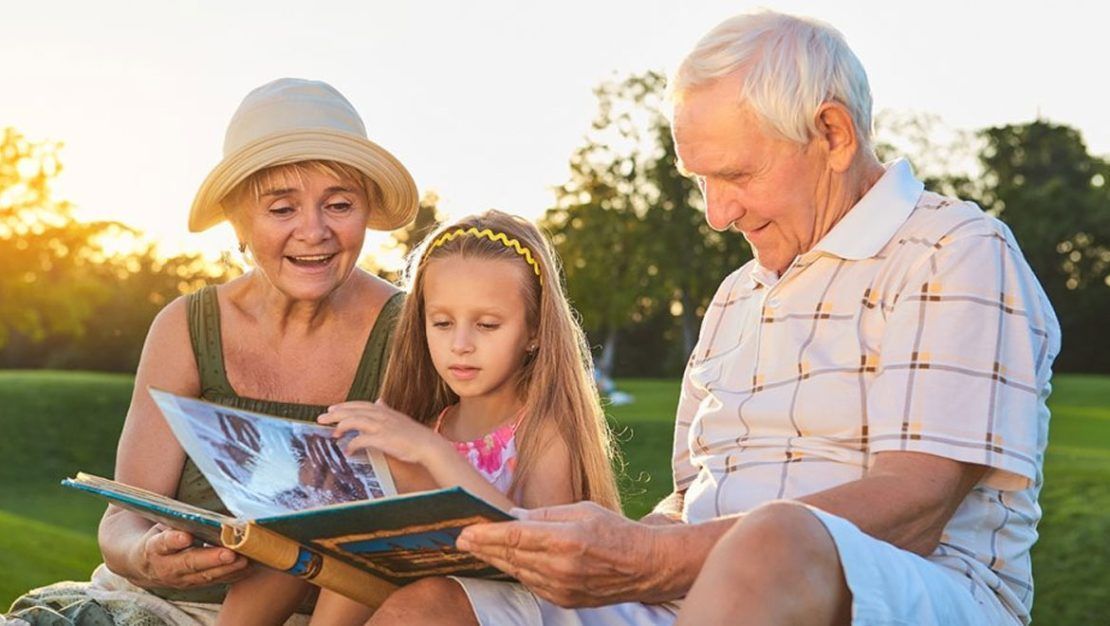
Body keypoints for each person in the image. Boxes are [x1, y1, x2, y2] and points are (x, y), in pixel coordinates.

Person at [382, 10, 1061, 626]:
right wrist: (608, 543)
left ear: (833, 133)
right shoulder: (738, 294)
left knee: (776, 536)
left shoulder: (954, 251)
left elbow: (915, 504)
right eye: (700, 181)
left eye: (735, 175)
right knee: (435, 607)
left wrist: (652, 559)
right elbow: (692, 500)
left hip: (919, 592)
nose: (717, 213)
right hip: (695, 592)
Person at [6, 77, 419, 626]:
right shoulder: (186, 325)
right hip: (153, 606)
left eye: (339, 204)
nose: (314, 231)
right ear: (238, 221)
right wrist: (146, 558)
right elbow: (123, 517)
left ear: (366, 210)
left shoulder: (415, 332)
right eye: (281, 209)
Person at [297, 209, 621, 626]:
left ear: (535, 332)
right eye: (443, 323)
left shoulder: (542, 432)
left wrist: (430, 454)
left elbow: (543, 553)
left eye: (487, 325)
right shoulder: (432, 423)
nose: (461, 344)